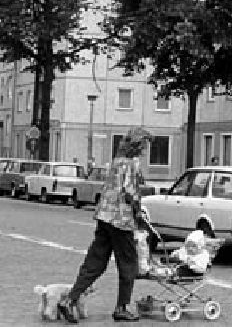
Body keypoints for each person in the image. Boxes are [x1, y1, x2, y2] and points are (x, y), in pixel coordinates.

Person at [58, 127, 151, 323]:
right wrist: (138, 212)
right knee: (128, 263)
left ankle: (70, 299)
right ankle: (122, 307)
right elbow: (130, 192)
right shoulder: (132, 164)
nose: (145, 149)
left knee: (95, 261)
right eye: (144, 144)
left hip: (104, 216)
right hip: (121, 220)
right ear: (137, 145)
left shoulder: (116, 162)